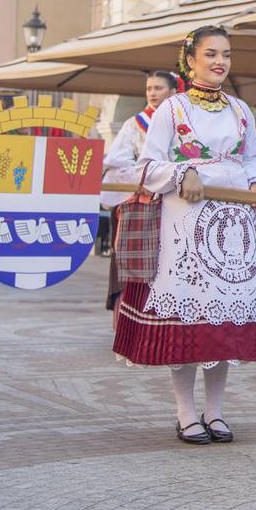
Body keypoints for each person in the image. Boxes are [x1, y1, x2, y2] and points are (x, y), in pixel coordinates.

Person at [120, 27, 256, 445]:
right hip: (186, 220)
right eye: (211, 54)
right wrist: (184, 172)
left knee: (224, 321)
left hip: (234, 223)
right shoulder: (172, 109)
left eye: (226, 55)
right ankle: (185, 412)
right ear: (190, 60)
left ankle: (215, 412)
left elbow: (252, 160)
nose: (220, 62)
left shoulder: (240, 109)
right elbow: (146, 164)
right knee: (188, 321)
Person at [107, 68, 180, 340]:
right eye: (149, 88)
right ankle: (138, 327)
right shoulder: (135, 124)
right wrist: (149, 176)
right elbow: (117, 162)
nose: (152, 93)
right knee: (140, 265)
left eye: (158, 88)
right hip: (144, 201)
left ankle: (173, 323)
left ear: (173, 92)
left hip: (176, 200)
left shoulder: (184, 123)